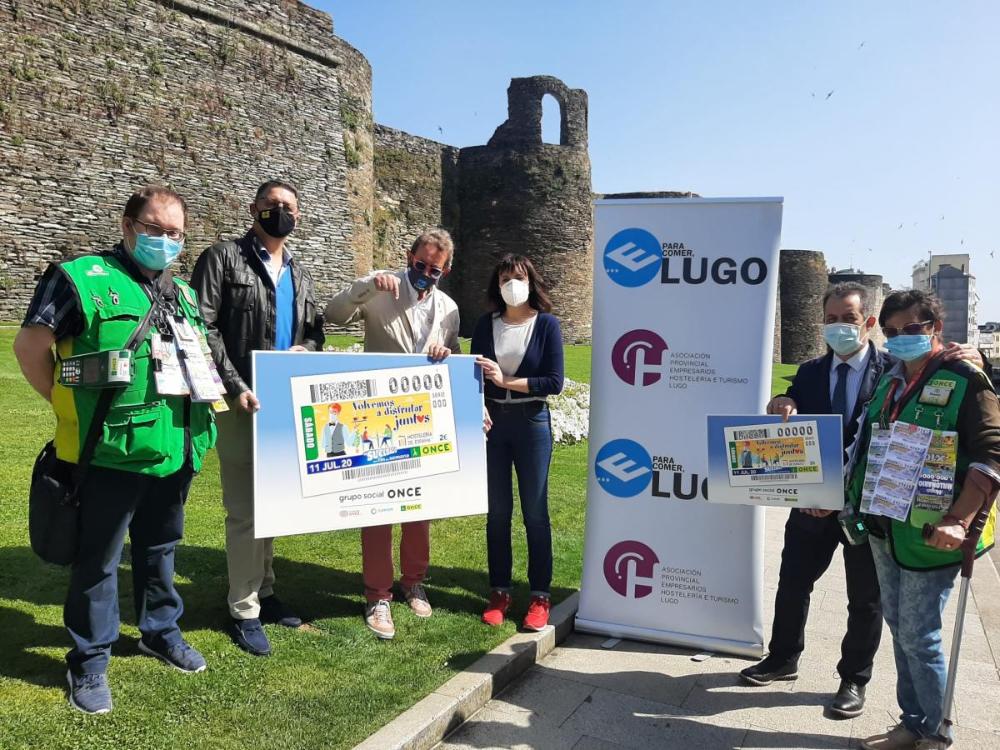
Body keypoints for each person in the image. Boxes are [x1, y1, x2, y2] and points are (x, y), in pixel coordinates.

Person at [13, 186, 217, 714]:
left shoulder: (183, 294)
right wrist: (65, 403)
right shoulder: (79, 278)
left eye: (174, 233)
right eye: (154, 228)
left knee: (160, 546)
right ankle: (89, 659)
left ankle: (160, 630)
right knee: (99, 559)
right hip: (108, 450)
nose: (164, 240)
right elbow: (30, 348)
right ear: (127, 226)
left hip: (176, 444)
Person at [739, 283, 982, 719]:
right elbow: (789, 416)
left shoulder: (896, 371)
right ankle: (782, 658)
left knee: (865, 600)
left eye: (848, 319)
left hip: (869, 512)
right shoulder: (811, 371)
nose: (838, 327)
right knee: (793, 584)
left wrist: (970, 356)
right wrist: (782, 400)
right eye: (830, 319)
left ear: (868, 323)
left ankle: (854, 679)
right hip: (812, 506)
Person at [850, 290, 1000, 750]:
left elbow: (991, 454)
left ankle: (936, 732)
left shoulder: (964, 377)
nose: (898, 339)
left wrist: (960, 519)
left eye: (910, 330)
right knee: (899, 626)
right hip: (884, 525)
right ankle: (912, 722)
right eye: (890, 332)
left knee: (920, 634)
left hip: (933, 533)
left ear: (934, 328)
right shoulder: (890, 381)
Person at [190, 179, 325, 656]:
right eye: (272, 205)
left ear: (299, 217)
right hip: (240, 399)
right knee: (245, 510)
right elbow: (199, 324)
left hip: (281, 404)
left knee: (271, 504)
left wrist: (301, 350)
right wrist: (235, 384)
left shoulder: (301, 274)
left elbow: (315, 335)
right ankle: (244, 607)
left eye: (288, 206)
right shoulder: (223, 258)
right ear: (253, 208)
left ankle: (265, 591)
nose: (280, 212)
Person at [325, 229, 460, 639]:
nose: (424, 274)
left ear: (445, 270)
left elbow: (448, 364)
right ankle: (378, 594)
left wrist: (444, 354)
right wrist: (363, 287)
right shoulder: (381, 287)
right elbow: (333, 317)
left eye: (434, 270)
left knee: (420, 508)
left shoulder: (449, 309)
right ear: (408, 256)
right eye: (419, 265)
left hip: (421, 419)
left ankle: (413, 581)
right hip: (375, 416)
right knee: (378, 509)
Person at [472, 254, 564, 631]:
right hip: (494, 425)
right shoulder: (485, 324)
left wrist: (504, 381)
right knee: (497, 514)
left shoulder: (546, 325)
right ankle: (500, 591)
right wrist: (480, 403)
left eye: (520, 277)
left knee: (535, 513)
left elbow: (554, 382)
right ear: (497, 283)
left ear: (531, 282)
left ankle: (540, 595)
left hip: (531, 422)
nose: (513, 284)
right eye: (506, 277)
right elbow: (473, 375)